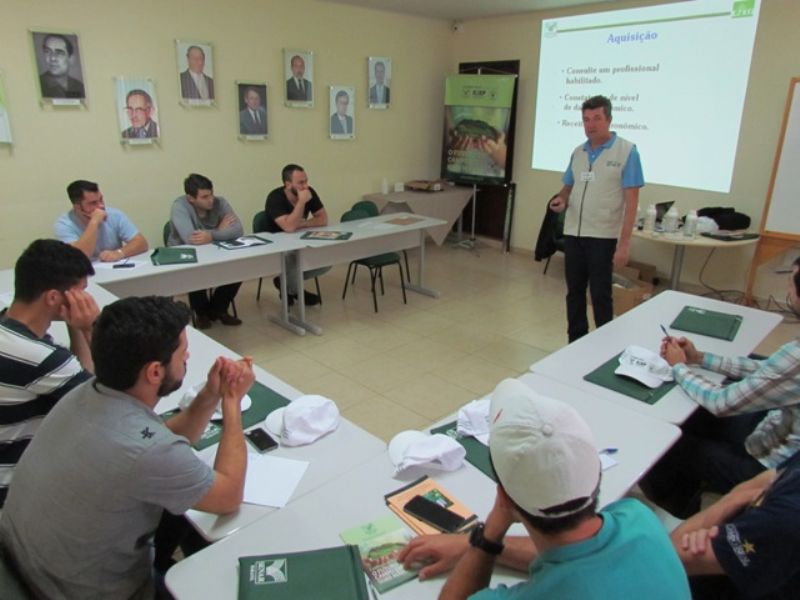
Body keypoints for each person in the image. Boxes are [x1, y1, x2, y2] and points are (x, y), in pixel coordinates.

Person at [0, 295, 252, 598]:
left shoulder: (87, 392)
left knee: (183, 515)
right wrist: (231, 402)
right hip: (82, 591)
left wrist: (211, 394)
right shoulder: (147, 451)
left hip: (28, 566)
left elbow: (160, 438)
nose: (187, 357)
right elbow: (229, 496)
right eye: (182, 352)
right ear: (155, 372)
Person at [400, 378, 690, 599]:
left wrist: (486, 537)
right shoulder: (639, 517)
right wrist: (469, 543)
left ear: (504, 498)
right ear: (597, 470)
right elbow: (574, 554)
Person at [640, 256, 800, 519]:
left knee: (661, 444)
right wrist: (701, 358)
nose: (788, 291)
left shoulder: (796, 356)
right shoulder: (792, 358)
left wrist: (679, 367)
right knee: (690, 417)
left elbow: (721, 402)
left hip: (769, 467)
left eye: (791, 284)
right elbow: (771, 371)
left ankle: (681, 513)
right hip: (773, 430)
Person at [0, 239, 97, 506]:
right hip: (14, 493)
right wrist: (89, 328)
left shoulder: (9, 330)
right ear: (53, 298)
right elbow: (105, 402)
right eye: (81, 292)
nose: (86, 299)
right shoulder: (40, 358)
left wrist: (74, 326)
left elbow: (80, 376)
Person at [549, 95, 644, 342]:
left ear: (609, 119)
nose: (591, 125)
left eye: (597, 118)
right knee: (574, 292)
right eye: (586, 119)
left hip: (603, 236)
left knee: (600, 294)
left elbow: (632, 203)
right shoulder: (578, 152)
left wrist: (624, 245)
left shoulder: (627, 152)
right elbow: (568, 188)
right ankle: (576, 340)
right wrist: (561, 199)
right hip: (574, 233)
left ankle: (603, 344)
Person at [672, 450, 800, 599]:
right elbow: (746, 490)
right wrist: (730, 504)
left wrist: (720, 512)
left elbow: (668, 557)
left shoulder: (787, 517)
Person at [168, 173, 244, 329]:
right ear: (191, 198)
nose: (211, 200)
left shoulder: (220, 202)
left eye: (211, 194)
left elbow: (238, 230)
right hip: (184, 253)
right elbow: (191, 239)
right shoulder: (179, 206)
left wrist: (211, 235)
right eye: (204, 197)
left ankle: (218, 309)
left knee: (239, 267)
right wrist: (219, 230)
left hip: (214, 249)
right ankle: (201, 313)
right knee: (196, 271)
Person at [264, 164, 329, 306]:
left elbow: (323, 218)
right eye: (301, 183)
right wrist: (301, 202)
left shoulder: (308, 191)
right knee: (294, 259)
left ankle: (285, 283)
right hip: (278, 246)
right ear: (288, 184)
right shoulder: (275, 198)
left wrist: (303, 223)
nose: (305, 186)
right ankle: (295, 291)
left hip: (300, 240)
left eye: (306, 181)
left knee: (326, 260)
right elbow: (288, 227)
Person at [55, 179, 149, 261]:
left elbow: (141, 243)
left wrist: (120, 253)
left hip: (114, 269)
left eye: (101, 199)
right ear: (78, 207)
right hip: (85, 271)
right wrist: (94, 222)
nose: (101, 206)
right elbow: (79, 257)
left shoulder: (114, 215)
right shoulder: (64, 224)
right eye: (93, 203)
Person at [38, 33, 85, 99]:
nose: (52, 58)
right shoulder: (38, 85)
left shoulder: (79, 86)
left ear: (71, 59)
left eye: (59, 53)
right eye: (47, 52)